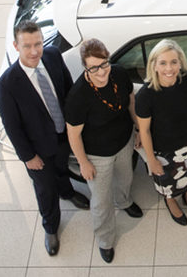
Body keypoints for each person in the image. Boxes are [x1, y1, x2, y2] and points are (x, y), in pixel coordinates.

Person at [0, 20, 90, 256]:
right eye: (27, 46)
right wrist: (29, 157)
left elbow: (67, 89)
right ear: (16, 46)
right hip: (37, 149)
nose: (34, 51)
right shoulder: (7, 84)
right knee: (45, 189)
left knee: (61, 169)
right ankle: (50, 227)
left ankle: (67, 192)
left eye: (37, 43)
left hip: (62, 136)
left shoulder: (52, 56)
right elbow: (12, 126)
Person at [64, 38, 143, 264]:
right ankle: (105, 240)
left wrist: (137, 128)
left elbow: (130, 102)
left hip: (124, 141)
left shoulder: (117, 73)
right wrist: (83, 163)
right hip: (97, 155)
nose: (101, 72)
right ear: (85, 68)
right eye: (94, 68)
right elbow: (73, 135)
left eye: (104, 64)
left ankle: (124, 202)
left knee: (126, 178)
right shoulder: (78, 97)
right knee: (100, 200)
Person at [134, 39, 187, 226]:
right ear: (153, 65)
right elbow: (144, 131)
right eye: (163, 63)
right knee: (168, 184)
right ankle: (171, 202)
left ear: (180, 62)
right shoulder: (145, 95)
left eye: (174, 62)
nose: (169, 69)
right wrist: (151, 159)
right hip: (164, 150)